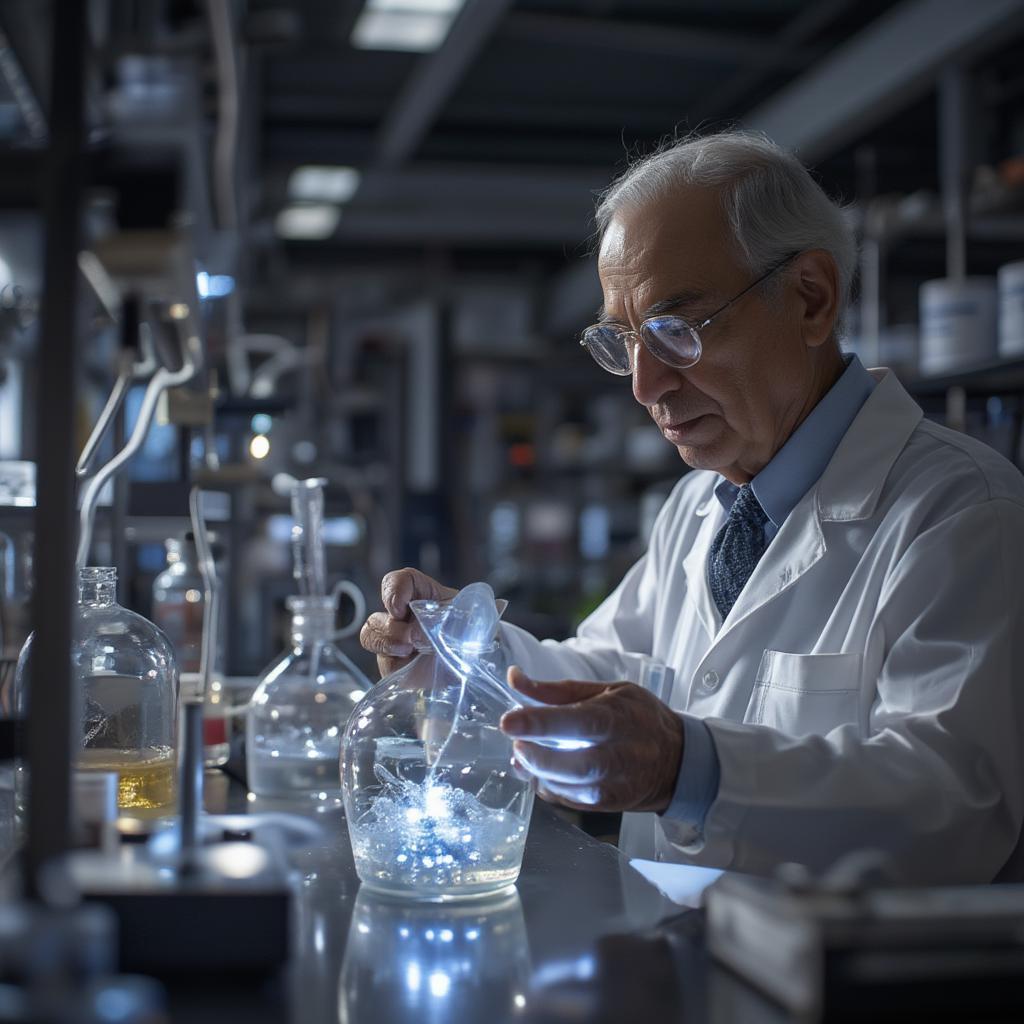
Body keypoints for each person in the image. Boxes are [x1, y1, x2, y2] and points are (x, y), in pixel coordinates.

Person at [361, 130, 1024, 884]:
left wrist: (692, 771)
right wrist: (462, 654)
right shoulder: (698, 507)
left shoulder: (964, 513)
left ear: (811, 298)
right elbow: (604, 673)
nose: (644, 385)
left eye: (676, 332)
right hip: (675, 960)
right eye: (623, 341)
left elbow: (953, 805)